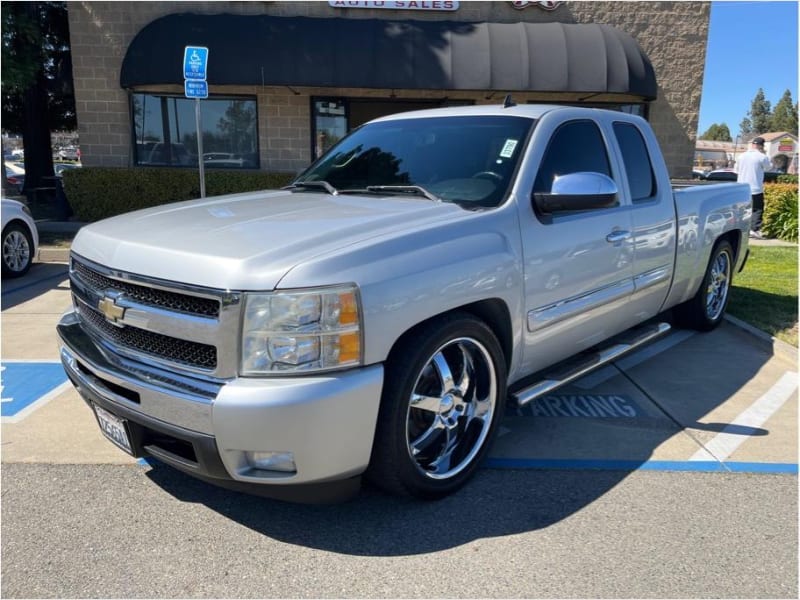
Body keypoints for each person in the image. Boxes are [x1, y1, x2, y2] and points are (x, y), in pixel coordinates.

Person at [734, 136, 773, 238]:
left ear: (752, 144)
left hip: (741, 188)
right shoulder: (762, 156)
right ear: (761, 146)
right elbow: (769, 167)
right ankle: (754, 230)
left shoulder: (741, 156)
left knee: (742, 210)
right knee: (757, 209)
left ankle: (739, 229)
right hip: (755, 188)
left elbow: (736, 171)